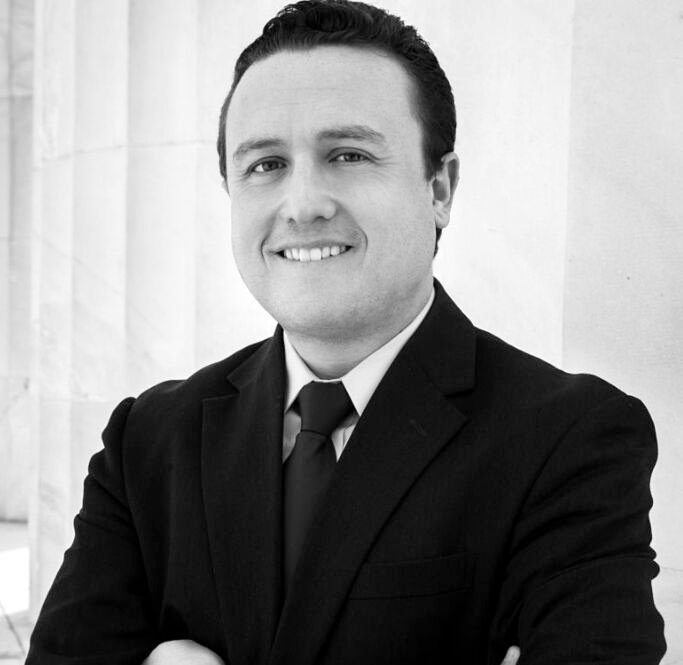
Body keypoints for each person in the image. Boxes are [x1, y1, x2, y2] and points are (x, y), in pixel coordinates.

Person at [27, 1, 666, 664]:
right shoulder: (148, 441)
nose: (303, 204)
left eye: (348, 154)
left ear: (439, 188)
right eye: (266, 164)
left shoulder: (569, 441)